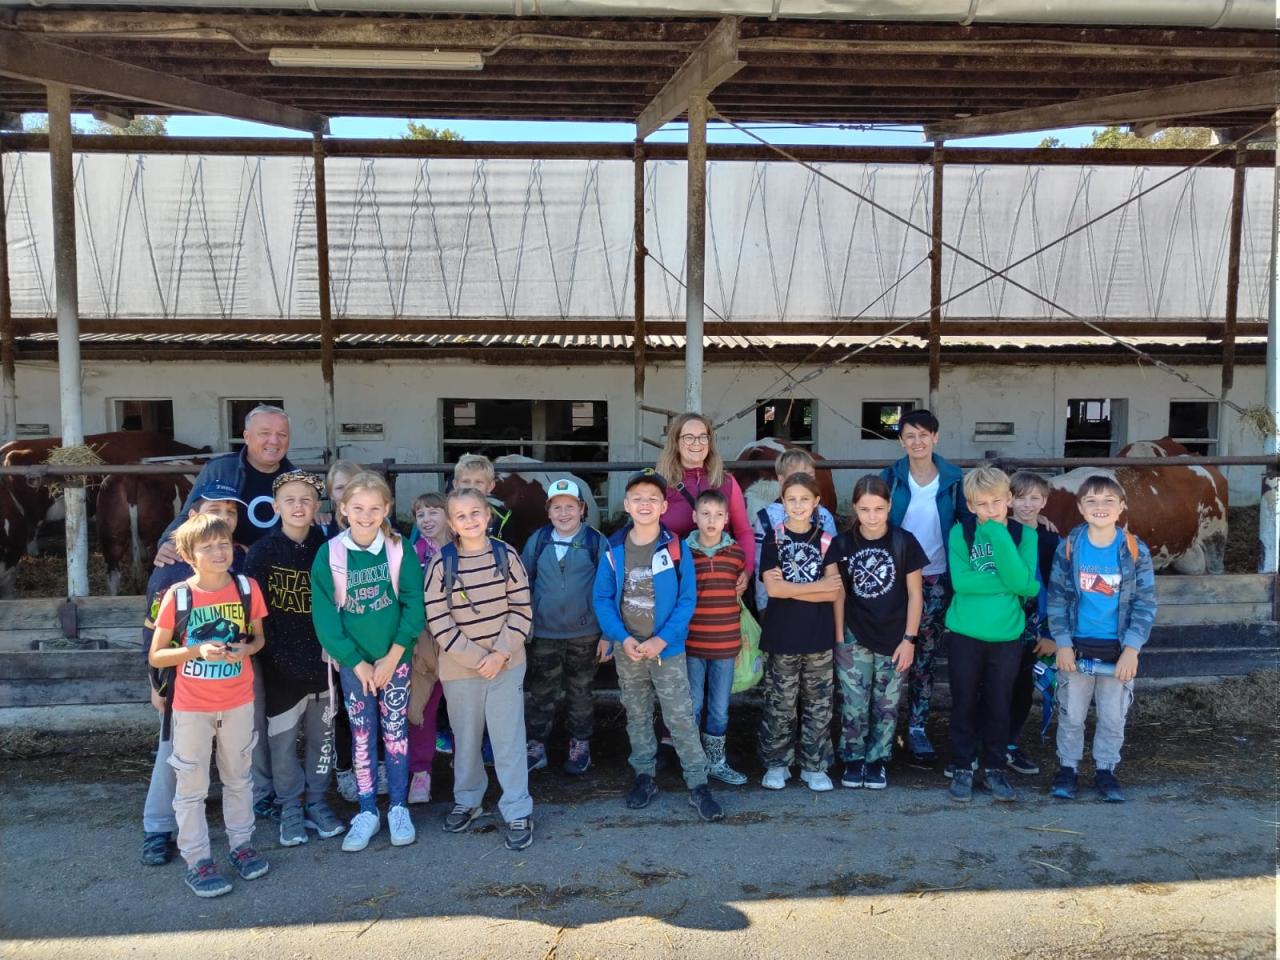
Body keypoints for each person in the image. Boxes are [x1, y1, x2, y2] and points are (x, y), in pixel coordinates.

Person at [147, 514, 268, 898]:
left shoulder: (247, 588)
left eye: (224, 544)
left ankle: (241, 845)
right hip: (191, 707)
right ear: (188, 555)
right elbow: (157, 654)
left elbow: (258, 639)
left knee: (239, 778)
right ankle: (197, 859)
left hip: (238, 702)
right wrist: (196, 650)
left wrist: (246, 649)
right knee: (191, 786)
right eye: (208, 547)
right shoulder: (178, 596)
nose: (219, 552)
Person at [592, 469, 724, 822]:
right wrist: (622, 637)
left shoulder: (676, 547)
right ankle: (644, 775)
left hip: (667, 650)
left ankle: (698, 781)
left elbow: (687, 600)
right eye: (637, 498)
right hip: (629, 650)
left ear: (664, 506)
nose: (645, 504)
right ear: (626, 505)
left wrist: (662, 638)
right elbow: (602, 598)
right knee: (636, 713)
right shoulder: (613, 548)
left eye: (653, 498)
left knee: (679, 715)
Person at [311, 471, 425, 853]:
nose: (366, 515)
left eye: (375, 508)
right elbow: (325, 617)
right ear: (343, 508)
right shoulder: (330, 554)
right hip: (354, 664)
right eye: (357, 508)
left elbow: (414, 605)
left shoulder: (399, 549)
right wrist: (355, 663)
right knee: (362, 736)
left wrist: (393, 656)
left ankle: (398, 807)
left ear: (386, 509)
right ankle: (366, 811)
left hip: (395, 660)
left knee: (395, 733)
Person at [140, 480, 248, 868]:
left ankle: (241, 831)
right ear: (192, 516)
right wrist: (156, 684)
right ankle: (158, 827)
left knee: (235, 759)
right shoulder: (170, 572)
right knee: (174, 757)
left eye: (231, 512)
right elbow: (152, 635)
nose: (224, 518)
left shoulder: (239, 564)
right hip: (184, 687)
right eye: (215, 510)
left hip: (231, 683)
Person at [424, 487, 535, 851]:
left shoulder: (507, 555)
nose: (469, 520)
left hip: (506, 665)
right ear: (451, 523)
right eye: (461, 516)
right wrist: (476, 658)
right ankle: (468, 800)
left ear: (488, 516)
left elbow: (521, 608)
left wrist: (499, 654)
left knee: (508, 739)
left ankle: (517, 808)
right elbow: (438, 620)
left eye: (476, 513)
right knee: (466, 739)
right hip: (459, 669)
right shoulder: (441, 563)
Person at [244, 470, 345, 847]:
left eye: (306, 500)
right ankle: (289, 805)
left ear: (318, 505)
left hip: (324, 663)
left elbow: (341, 602)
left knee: (322, 739)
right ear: (275, 507)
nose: (298, 506)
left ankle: (317, 800)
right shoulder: (263, 552)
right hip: (279, 665)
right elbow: (255, 613)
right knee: (283, 742)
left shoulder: (331, 548)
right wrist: (273, 655)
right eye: (290, 500)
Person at [1047, 475, 1156, 804]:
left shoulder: (1135, 550)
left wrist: (1132, 650)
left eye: (1109, 501)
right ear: (1081, 508)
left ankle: (1106, 769)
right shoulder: (1070, 547)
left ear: (1122, 507)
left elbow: (1145, 603)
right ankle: (1068, 768)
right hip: (1077, 647)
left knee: (1112, 716)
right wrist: (1063, 643)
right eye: (1092, 501)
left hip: (1117, 649)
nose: (1100, 507)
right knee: (1072, 714)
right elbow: (1057, 598)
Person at [879, 409, 972, 765]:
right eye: (910, 436)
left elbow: (971, 523)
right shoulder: (890, 478)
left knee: (924, 656)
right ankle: (883, 727)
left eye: (923, 435)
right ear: (901, 441)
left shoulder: (954, 480)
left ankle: (917, 727)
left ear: (935, 437)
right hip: (894, 579)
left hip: (935, 577)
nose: (917, 442)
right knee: (889, 654)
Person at [944, 464, 1040, 804]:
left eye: (997, 501)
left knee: (999, 703)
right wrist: (1009, 583)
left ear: (1009, 499)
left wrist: (999, 536)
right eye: (982, 504)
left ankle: (995, 767)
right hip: (965, 632)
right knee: (964, 700)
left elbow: (1025, 584)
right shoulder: (961, 533)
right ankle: (962, 766)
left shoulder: (1024, 535)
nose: (990, 509)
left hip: (1006, 635)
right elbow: (961, 583)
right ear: (971, 506)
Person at [825, 475, 925, 790]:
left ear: (889, 506)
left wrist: (909, 639)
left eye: (879, 509)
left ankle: (877, 760)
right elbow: (838, 594)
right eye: (865, 509)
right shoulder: (842, 544)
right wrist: (839, 638)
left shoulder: (904, 542)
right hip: (855, 634)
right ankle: (853, 759)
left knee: (887, 704)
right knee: (854, 702)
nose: (871, 516)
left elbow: (916, 594)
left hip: (895, 636)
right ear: (854, 508)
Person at [757, 473, 841, 793]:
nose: (798, 505)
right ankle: (777, 763)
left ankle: (814, 765)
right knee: (780, 704)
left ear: (816, 502)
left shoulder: (826, 540)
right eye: (791, 499)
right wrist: (816, 587)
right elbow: (773, 589)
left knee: (819, 704)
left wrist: (792, 590)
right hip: (782, 637)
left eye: (805, 499)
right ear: (782, 501)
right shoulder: (774, 539)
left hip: (818, 637)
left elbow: (834, 591)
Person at [520, 478, 604, 776]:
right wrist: (525, 622)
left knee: (580, 690)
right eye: (557, 507)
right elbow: (523, 581)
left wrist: (608, 633)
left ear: (582, 509)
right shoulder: (539, 540)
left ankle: (580, 743)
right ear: (548, 511)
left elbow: (609, 589)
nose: (564, 513)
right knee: (541, 691)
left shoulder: (595, 541)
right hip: (545, 632)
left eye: (570, 506)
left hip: (585, 633)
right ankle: (536, 745)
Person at [157, 405, 296, 555]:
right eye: (265, 433)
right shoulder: (220, 469)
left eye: (282, 434)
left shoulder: (297, 478)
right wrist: (169, 542)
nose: (274, 441)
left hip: (280, 563)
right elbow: (189, 515)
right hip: (227, 561)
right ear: (247, 437)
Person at [684, 488, 748, 786]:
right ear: (694, 517)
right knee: (692, 705)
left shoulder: (736, 555)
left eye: (718, 515)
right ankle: (693, 763)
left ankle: (716, 762)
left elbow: (740, 595)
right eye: (705, 514)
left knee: (719, 709)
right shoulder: (684, 554)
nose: (711, 520)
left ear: (726, 519)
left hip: (725, 645)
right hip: (692, 645)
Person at [655, 412, 754, 590]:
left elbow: (743, 531)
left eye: (703, 437)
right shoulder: (661, 484)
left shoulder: (726, 482)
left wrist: (746, 571)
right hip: (674, 579)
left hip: (718, 580)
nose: (697, 443)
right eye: (688, 437)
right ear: (676, 442)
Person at [1005, 471, 1062, 776]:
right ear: (1008, 500)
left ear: (1045, 502)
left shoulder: (1051, 539)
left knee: (1022, 688)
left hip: (1034, 627)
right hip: (999, 624)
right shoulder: (999, 532)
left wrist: (1051, 633)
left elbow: (1059, 589)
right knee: (992, 686)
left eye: (1034, 498)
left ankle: (1010, 744)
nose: (1027, 505)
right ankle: (983, 745)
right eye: (1020, 498)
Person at [751, 448, 837, 615]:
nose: (804, 482)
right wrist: (763, 605)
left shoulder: (824, 517)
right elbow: (760, 566)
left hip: (818, 608)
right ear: (781, 480)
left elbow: (833, 567)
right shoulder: (766, 518)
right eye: (797, 476)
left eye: (810, 476)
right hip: (776, 607)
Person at [406, 490, 451, 803]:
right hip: (425, 642)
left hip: (459, 641)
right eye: (420, 514)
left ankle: (468, 767)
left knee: (464, 706)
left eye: (433, 512)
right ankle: (420, 772)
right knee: (422, 706)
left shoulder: (462, 549)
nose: (426, 519)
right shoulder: (411, 553)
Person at [454, 454, 514, 543]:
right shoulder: (445, 516)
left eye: (478, 482)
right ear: (455, 484)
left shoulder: (503, 517)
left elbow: (508, 548)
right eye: (466, 482)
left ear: (490, 486)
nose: (472, 487)